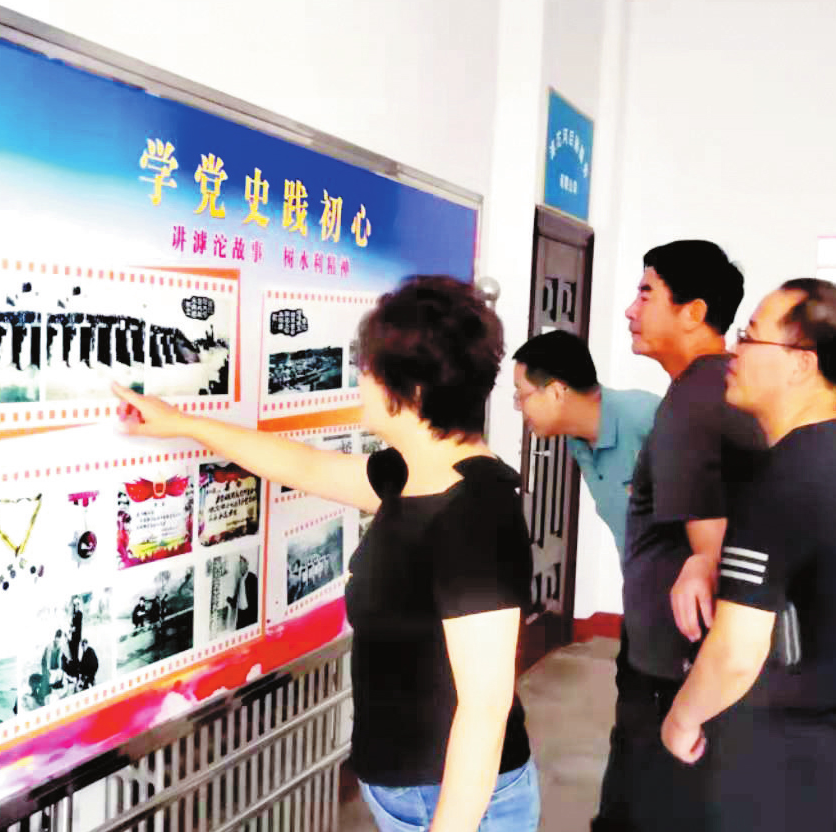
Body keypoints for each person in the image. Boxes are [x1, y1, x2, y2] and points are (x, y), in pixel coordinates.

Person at [114, 276, 540, 832]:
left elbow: (485, 708)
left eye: (369, 366)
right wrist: (180, 423)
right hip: (411, 791)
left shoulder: (475, 512)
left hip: (455, 804)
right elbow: (304, 467)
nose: (358, 375)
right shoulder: (411, 474)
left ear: (412, 391)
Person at [661, 279, 836, 831]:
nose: (733, 351)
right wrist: (706, 560)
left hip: (778, 776)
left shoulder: (782, 478)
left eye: (750, 337)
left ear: (800, 364)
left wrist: (681, 719)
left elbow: (735, 655)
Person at [594, 240, 766, 831]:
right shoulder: (719, 389)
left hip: (670, 670)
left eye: (646, 294)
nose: (630, 310)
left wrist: (690, 690)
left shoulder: (694, 404)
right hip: (678, 663)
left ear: (693, 312)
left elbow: (712, 558)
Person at [512, 330, 659, 560]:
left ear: (556, 392)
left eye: (521, 395)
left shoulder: (645, 417)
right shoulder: (577, 442)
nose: (518, 407)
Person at [229, 554, 259, 630]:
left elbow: (255, 600)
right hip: (241, 616)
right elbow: (238, 600)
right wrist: (228, 600)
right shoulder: (240, 580)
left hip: (250, 617)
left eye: (241, 563)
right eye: (239, 564)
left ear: (246, 564)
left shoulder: (252, 578)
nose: (240, 566)